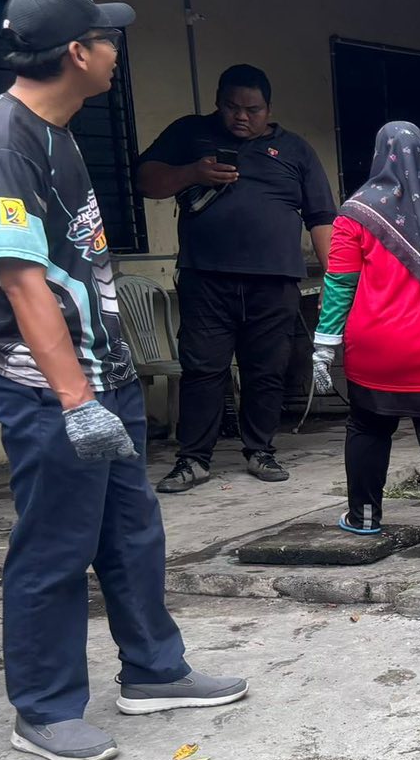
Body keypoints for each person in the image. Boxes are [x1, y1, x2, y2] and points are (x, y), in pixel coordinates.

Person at [0, 0, 247, 760]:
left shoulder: (58, 129)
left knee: (131, 530)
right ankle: (44, 709)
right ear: (78, 53)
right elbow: (20, 281)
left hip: (102, 370)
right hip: (48, 385)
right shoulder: (2, 142)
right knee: (55, 543)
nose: (118, 50)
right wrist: (75, 400)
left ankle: (154, 670)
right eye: (108, 38)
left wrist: (105, 381)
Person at [139, 64, 338, 491]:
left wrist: (338, 283)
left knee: (266, 370)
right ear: (217, 102)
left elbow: (322, 218)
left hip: (274, 281)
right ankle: (193, 459)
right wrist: (193, 172)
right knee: (202, 369)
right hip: (206, 278)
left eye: (252, 109)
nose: (241, 117)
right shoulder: (190, 133)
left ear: (269, 109)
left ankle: (260, 450)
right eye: (232, 107)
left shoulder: (295, 150)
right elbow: (146, 181)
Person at [311, 123, 420, 567]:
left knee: (369, 428)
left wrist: (324, 344)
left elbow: (340, 283)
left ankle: (365, 517)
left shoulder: (356, 215)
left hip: (380, 350)